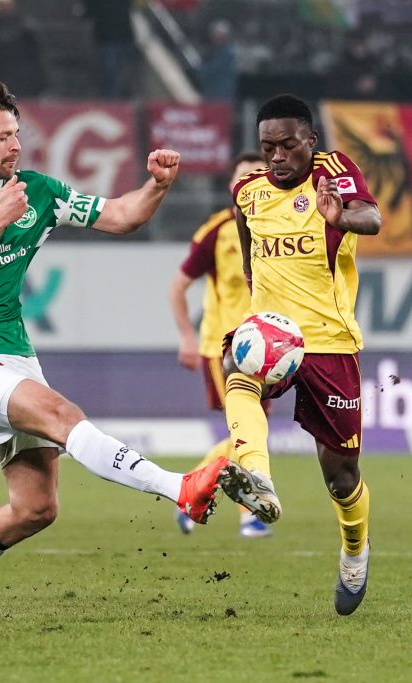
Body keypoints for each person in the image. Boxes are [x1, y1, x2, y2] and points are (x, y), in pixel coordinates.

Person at [0, 78, 228, 621]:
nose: (15, 146)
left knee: (36, 507)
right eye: (2, 137)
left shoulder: (36, 191)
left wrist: (156, 186)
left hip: (10, 348)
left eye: (16, 134)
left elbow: (121, 215)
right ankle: (180, 487)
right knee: (60, 413)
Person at [216, 94, 381, 615]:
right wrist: (252, 281)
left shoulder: (334, 171)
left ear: (310, 140)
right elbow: (245, 231)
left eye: (287, 145)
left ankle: (355, 548)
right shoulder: (248, 191)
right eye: (268, 147)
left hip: (329, 342)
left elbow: (372, 218)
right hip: (270, 333)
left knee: (341, 476)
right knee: (234, 366)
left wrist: (341, 217)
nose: (277, 156)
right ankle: (258, 476)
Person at [170, 151, 271, 539]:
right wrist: (187, 336)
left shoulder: (282, 228)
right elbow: (178, 286)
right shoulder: (216, 232)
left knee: (251, 431)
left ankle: (190, 492)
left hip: (268, 348)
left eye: (259, 174)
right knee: (248, 429)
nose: (251, 181)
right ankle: (250, 514)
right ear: (232, 186)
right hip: (226, 347)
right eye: (244, 175)